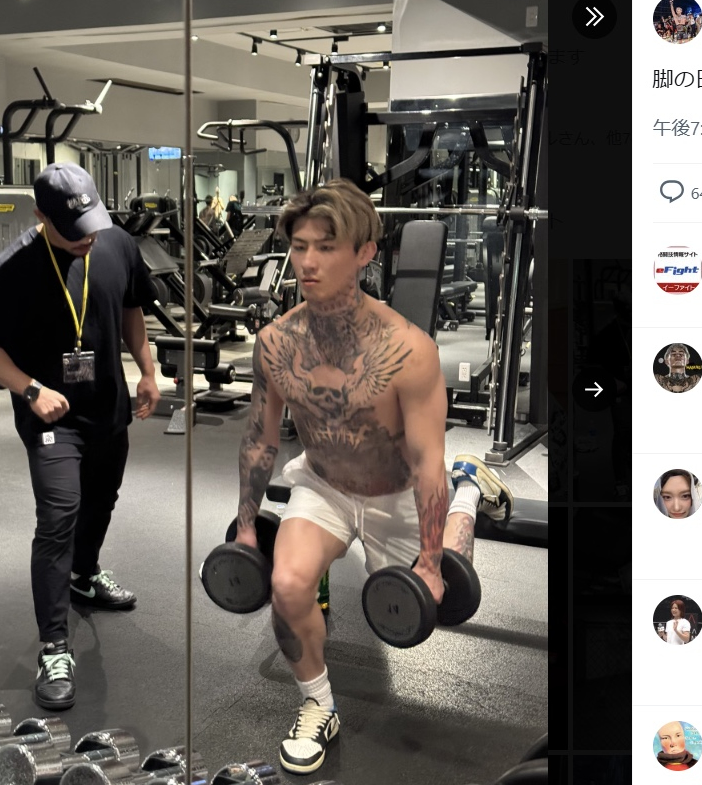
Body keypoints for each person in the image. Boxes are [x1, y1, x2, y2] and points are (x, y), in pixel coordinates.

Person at [233, 178, 513, 775]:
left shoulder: (409, 349)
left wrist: (432, 563)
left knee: (445, 599)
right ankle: (318, 704)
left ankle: (470, 492)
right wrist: (247, 526)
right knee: (287, 585)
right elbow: (260, 439)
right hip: (324, 485)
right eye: (300, 246)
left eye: (326, 247)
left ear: (364, 252)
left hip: (400, 493)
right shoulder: (274, 343)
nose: (308, 262)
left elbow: (426, 462)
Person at [0, 162, 160, 710]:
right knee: (58, 518)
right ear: (41, 216)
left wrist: (147, 369)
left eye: (91, 223)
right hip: (51, 417)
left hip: (108, 406)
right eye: (73, 231)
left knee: (101, 499)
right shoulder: (13, 268)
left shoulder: (115, 243)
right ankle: (53, 647)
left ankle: (85, 575)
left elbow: (132, 307)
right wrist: (29, 390)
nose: (87, 237)